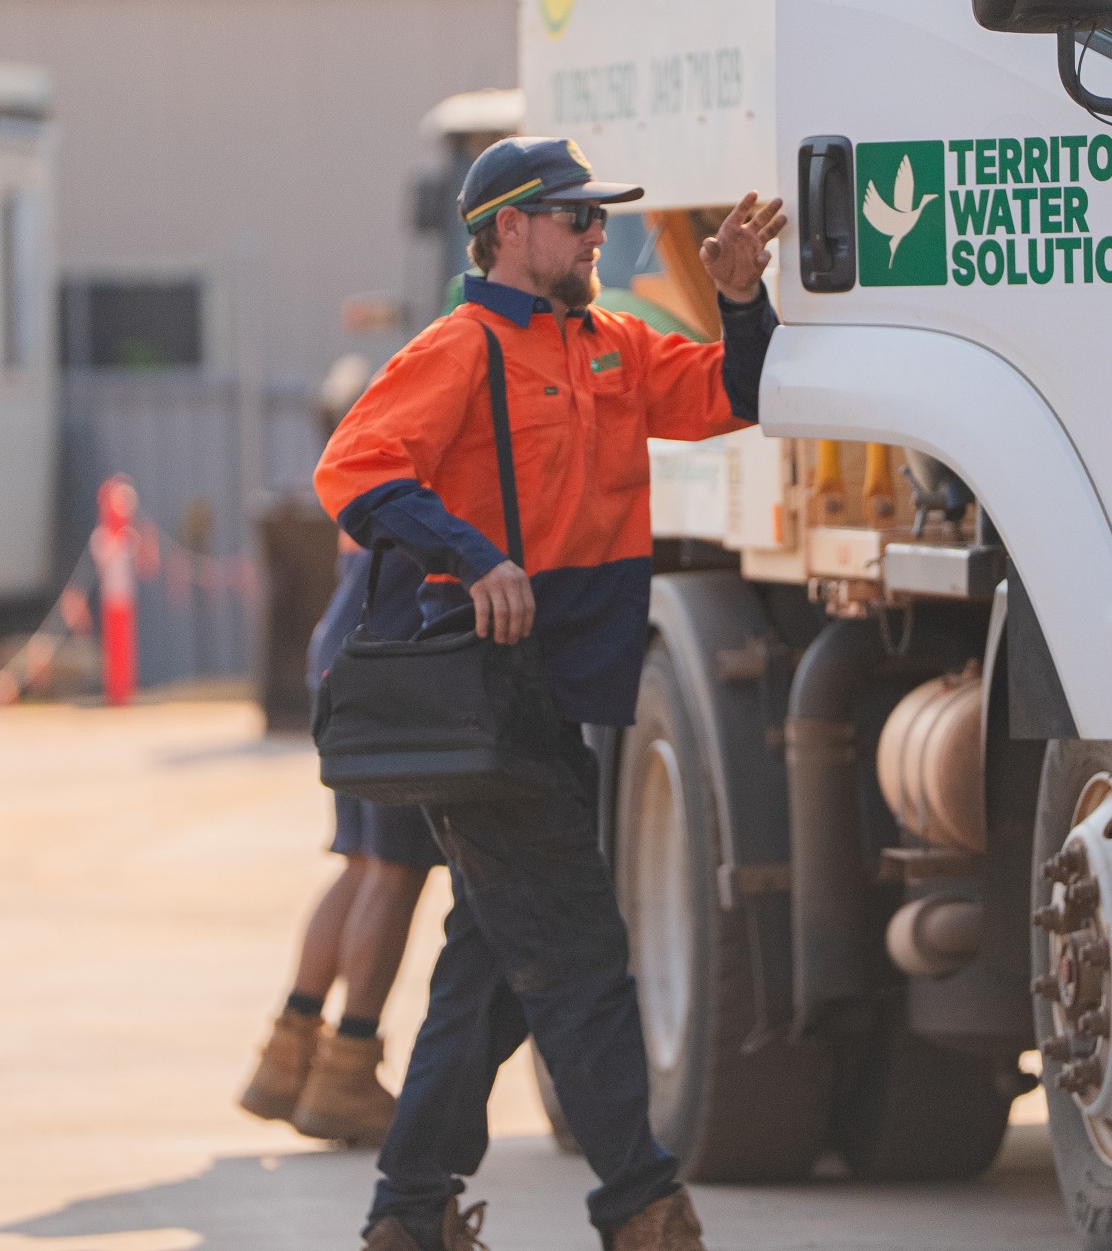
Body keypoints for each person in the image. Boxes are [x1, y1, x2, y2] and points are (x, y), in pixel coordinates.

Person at [314, 137, 784, 1251]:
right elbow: (355, 469)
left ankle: (409, 1209)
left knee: (491, 969)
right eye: (576, 216)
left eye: (596, 215)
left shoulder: (611, 345)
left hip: (562, 692)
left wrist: (738, 300)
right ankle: (641, 1206)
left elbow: (731, 395)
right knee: (577, 953)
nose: (596, 232)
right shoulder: (458, 347)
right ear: (509, 230)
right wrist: (474, 556)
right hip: (484, 697)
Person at [238, 372, 447, 1146]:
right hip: (389, 666)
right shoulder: (424, 447)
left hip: (344, 656)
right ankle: (349, 1069)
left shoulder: (364, 454)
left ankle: (287, 1055)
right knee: (393, 871)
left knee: (360, 861)